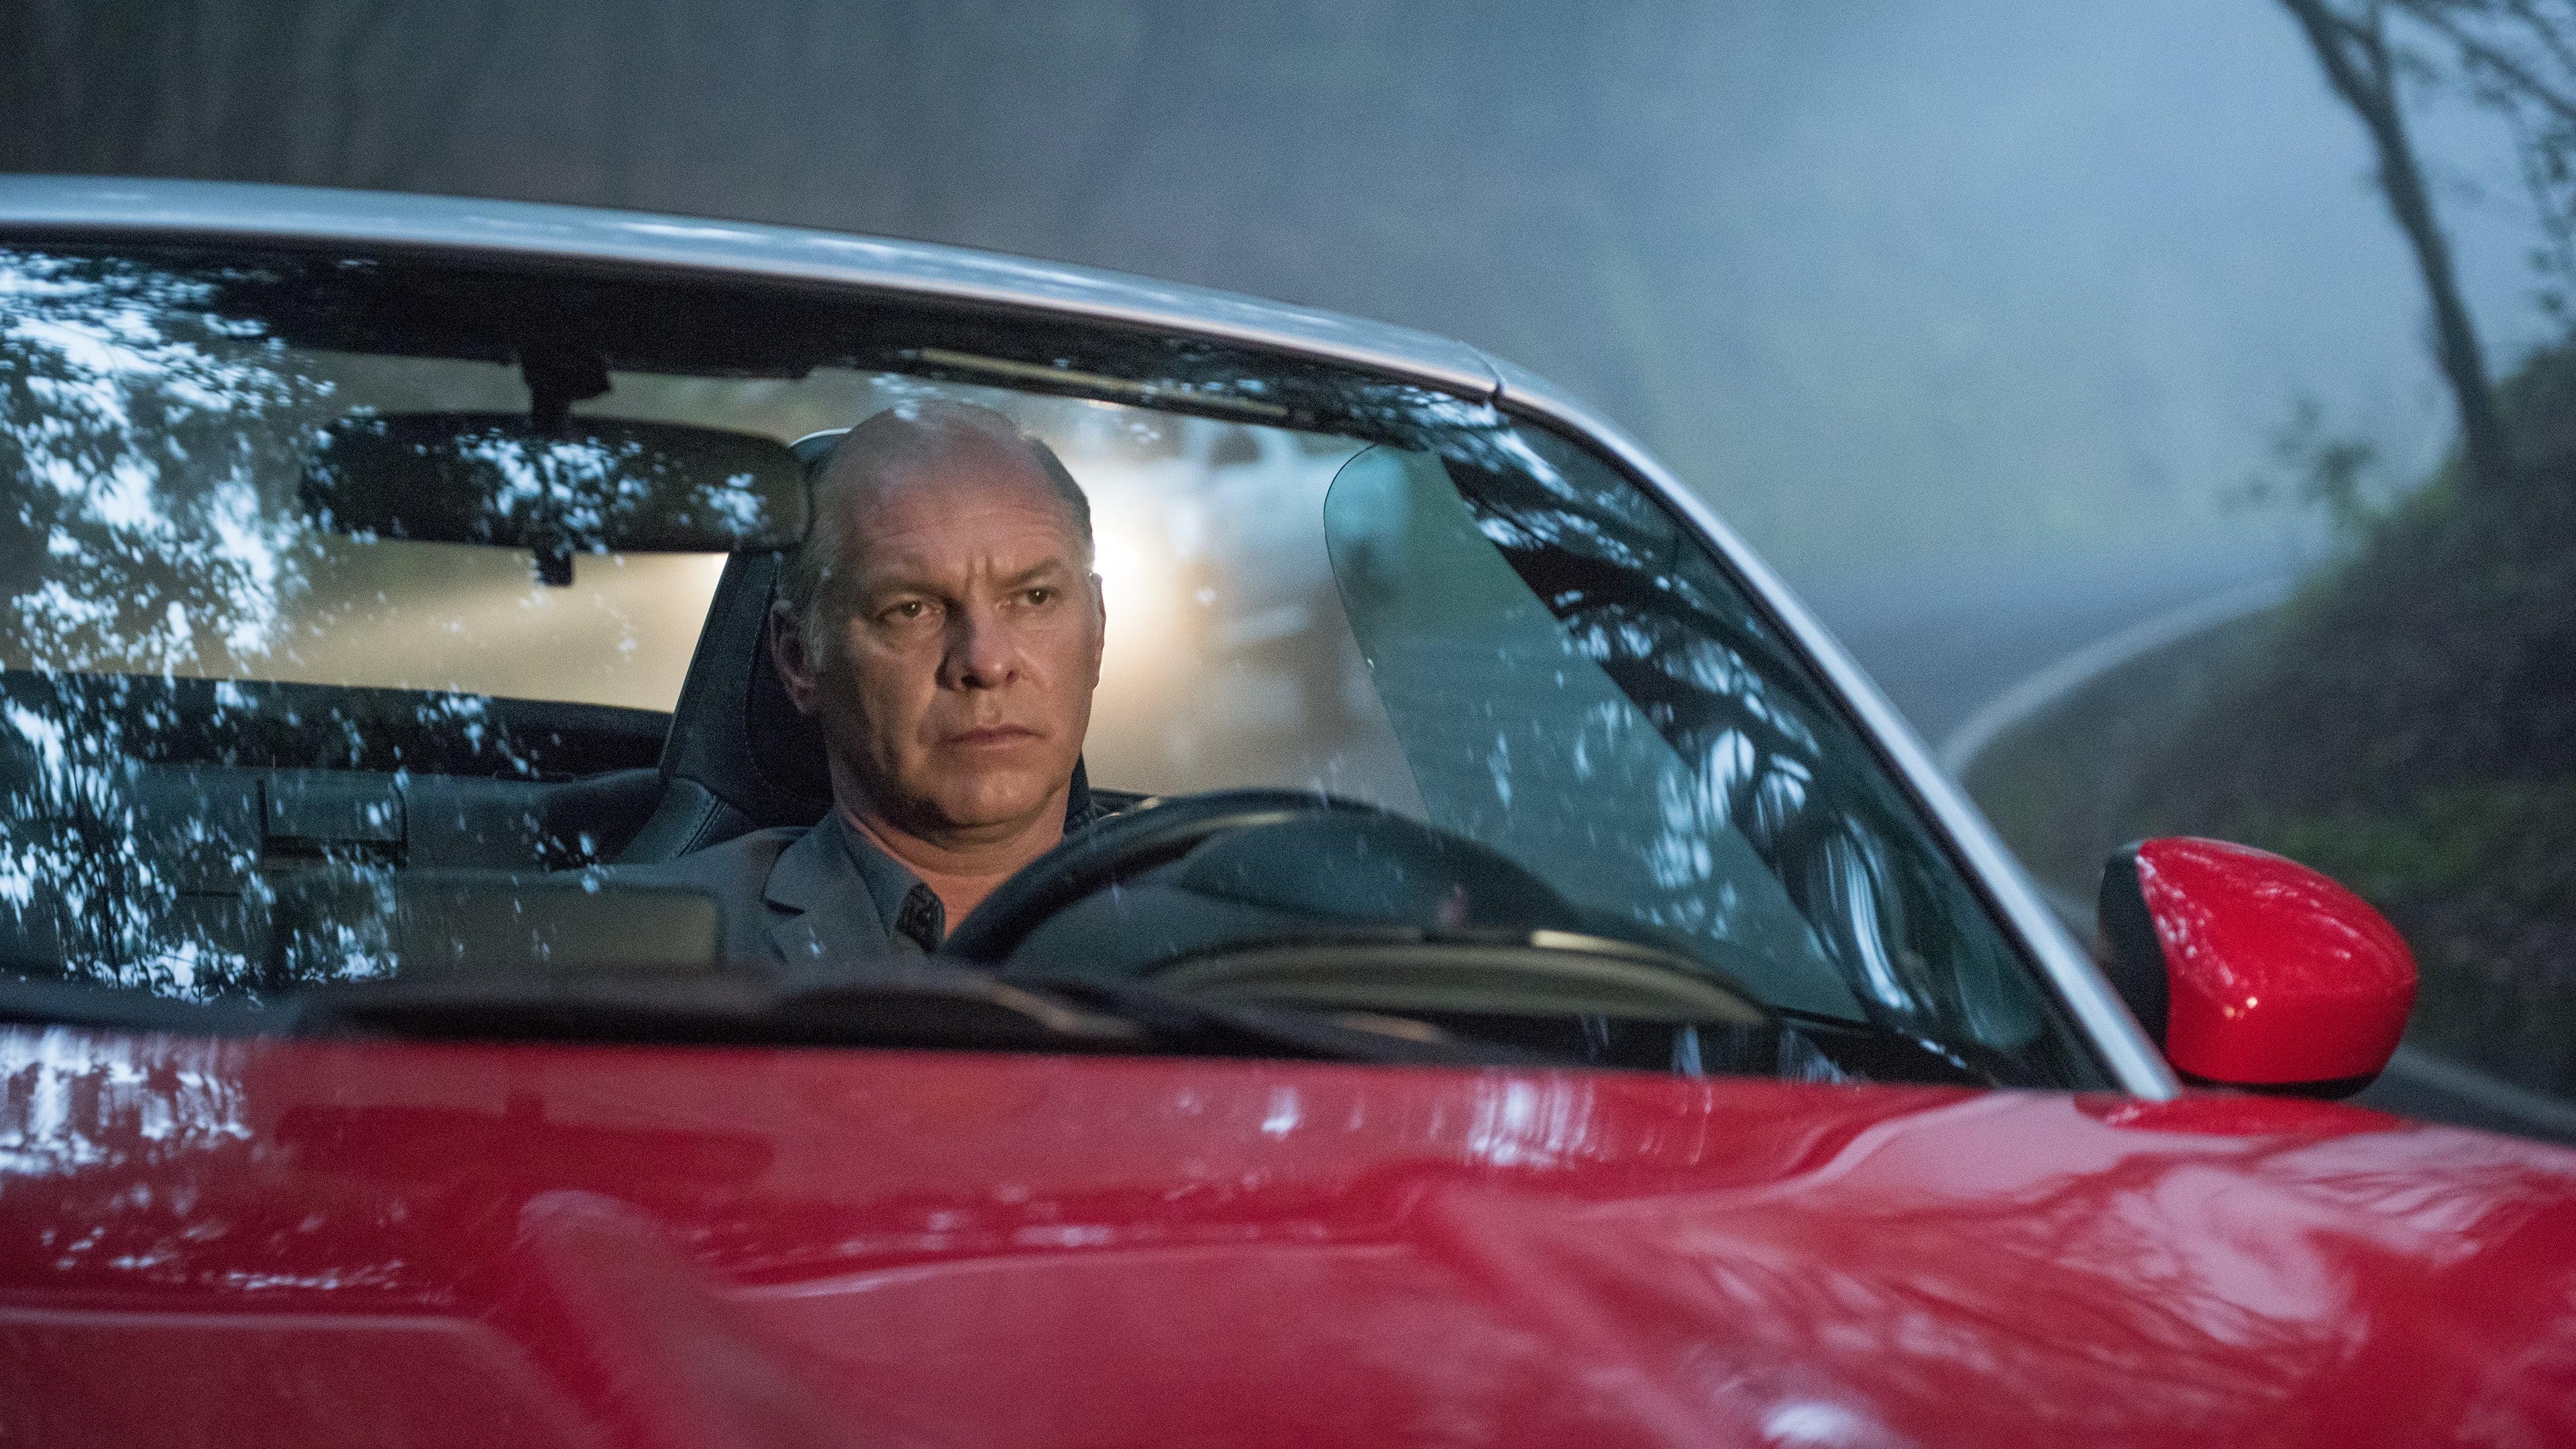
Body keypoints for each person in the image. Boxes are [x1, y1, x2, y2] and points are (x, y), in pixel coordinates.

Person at [625, 400, 1107, 974]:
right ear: (799, 659)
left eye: (1034, 598)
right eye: (911, 609)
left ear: (1099, 631)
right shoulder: (643, 948)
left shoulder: (1201, 918)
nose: (986, 662)